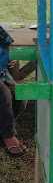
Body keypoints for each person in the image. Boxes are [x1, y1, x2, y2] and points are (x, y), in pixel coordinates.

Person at [0, 25, 26, 157]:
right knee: (3, 94)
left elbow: (7, 43)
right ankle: (8, 136)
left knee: (20, 96)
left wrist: (10, 57)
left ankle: (4, 127)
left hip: (2, 71)